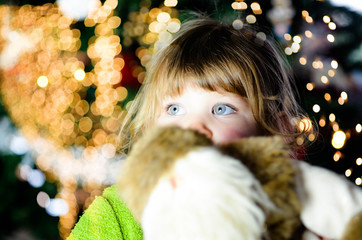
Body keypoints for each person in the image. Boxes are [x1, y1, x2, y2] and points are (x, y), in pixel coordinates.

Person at [67, 17, 362, 240]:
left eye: (221, 109)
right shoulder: (118, 212)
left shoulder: (283, 205)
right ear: (149, 128)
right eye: (174, 109)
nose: (193, 127)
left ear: (272, 132)